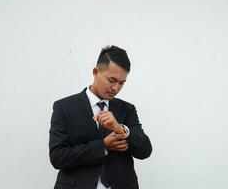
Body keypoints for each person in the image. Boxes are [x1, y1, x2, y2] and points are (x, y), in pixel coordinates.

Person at [49, 45, 152, 189]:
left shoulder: (127, 109)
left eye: (121, 83)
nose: (116, 88)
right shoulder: (64, 107)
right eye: (112, 80)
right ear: (95, 72)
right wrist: (102, 145)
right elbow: (57, 157)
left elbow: (145, 151)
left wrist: (121, 129)